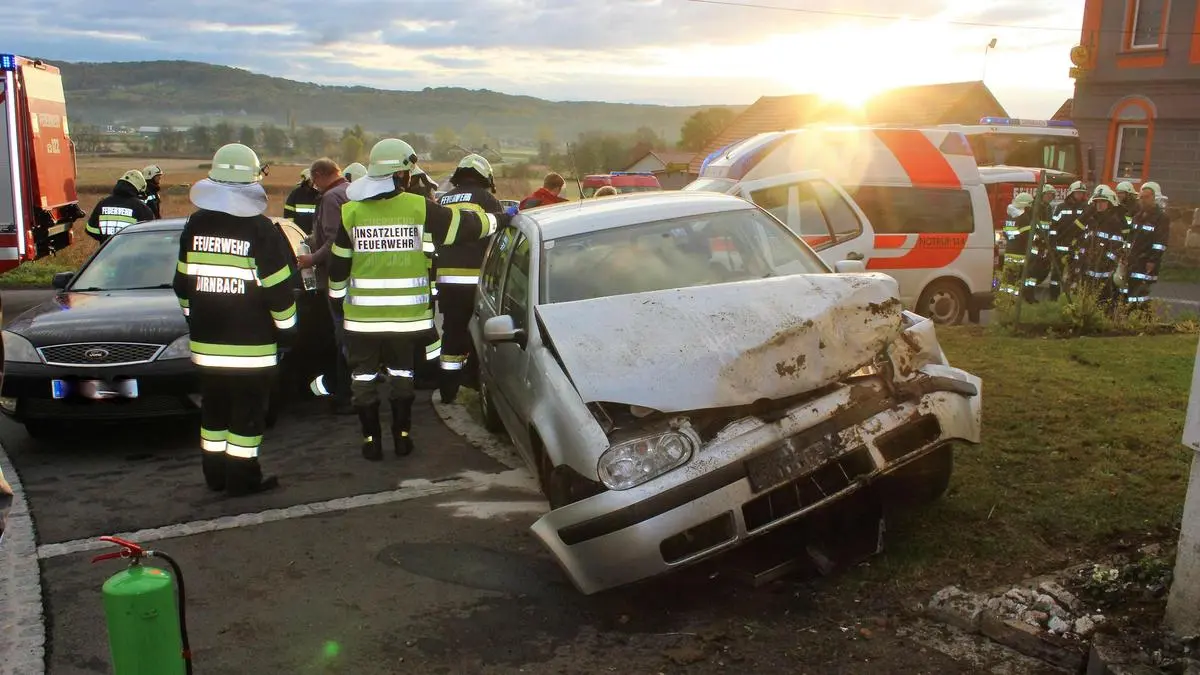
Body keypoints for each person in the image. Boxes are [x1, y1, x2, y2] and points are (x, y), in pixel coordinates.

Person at [328, 138, 509, 461]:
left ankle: (370, 441)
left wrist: (336, 304)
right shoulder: (417, 206)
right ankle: (402, 438)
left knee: (363, 379)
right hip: (405, 317)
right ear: (401, 175)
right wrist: (500, 219)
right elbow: (461, 226)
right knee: (401, 376)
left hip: (361, 320)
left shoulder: (350, 212)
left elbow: (338, 267)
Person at [172, 143, 296, 496]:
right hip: (251, 348)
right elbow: (279, 292)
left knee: (213, 413)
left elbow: (182, 284)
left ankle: (215, 476)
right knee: (247, 415)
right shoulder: (260, 230)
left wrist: (194, 319)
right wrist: (288, 333)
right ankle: (243, 479)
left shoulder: (195, 225)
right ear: (251, 182)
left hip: (206, 346)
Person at [436, 154, 502, 403]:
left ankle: (447, 390)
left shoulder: (444, 199)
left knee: (452, 332)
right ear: (485, 176)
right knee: (482, 333)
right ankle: (475, 381)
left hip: (446, 280)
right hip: (477, 280)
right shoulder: (486, 199)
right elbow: (497, 237)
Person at [300, 158, 353, 414]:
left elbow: (333, 241)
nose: (314, 186)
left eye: (314, 180)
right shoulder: (349, 192)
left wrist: (311, 258)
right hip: (354, 276)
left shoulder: (331, 198)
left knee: (341, 337)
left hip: (336, 279)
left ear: (320, 175)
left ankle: (345, 395)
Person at [1077, 185, 1126, 306]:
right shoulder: (1092, 220)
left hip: (1105, 271)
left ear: (1110, 203)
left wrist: (1106, 261)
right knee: (1086, 299)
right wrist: (1080, 259)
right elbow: (1085, 241)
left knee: (1104, 301)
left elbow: (1117, 246)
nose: (1099, 204)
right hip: (1088, 268)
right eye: (1097, 202)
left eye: (1103, 201)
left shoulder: (1114, 222)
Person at [1124, 181, 1171, 306]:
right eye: (1141, 197)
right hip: (1132, 262)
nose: (1143, 200)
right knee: (1127, 292)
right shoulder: (1137, 217)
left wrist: (1152, 261)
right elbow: (1130, 238)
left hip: (1146, 263)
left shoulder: (1161, 218)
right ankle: (1129, 317)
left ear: (1155, 198)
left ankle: (1141, 317)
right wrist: (1125, 255)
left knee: (1139, 295)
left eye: (1147, 197)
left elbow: (1160, 243)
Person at [86, 170, 155, 242]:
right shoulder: (141, 208)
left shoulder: (103, 203)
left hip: (107, 251)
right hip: (132, 251)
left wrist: (105, 239)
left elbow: (90, 229)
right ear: (137, 188)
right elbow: (149, 234)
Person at [999, 192, 1034, 299]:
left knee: (1009, 278)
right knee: (1022, 277)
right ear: (1025, 205)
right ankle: (1020, 300)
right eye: (1029, 206)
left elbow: (1005, 233)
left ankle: (1006, 299)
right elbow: (1027, 236)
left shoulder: (1009, 216)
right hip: (1021, 253)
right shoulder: (1024, 218)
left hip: (1010, 251)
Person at [284, 168, 320, 235]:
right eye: (312, 180)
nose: (314, 182)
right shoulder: (295, 194)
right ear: (307, 180)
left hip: (314, 234)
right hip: (298, 233)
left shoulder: (318, 195)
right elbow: (288, 214)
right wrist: (292, 230)